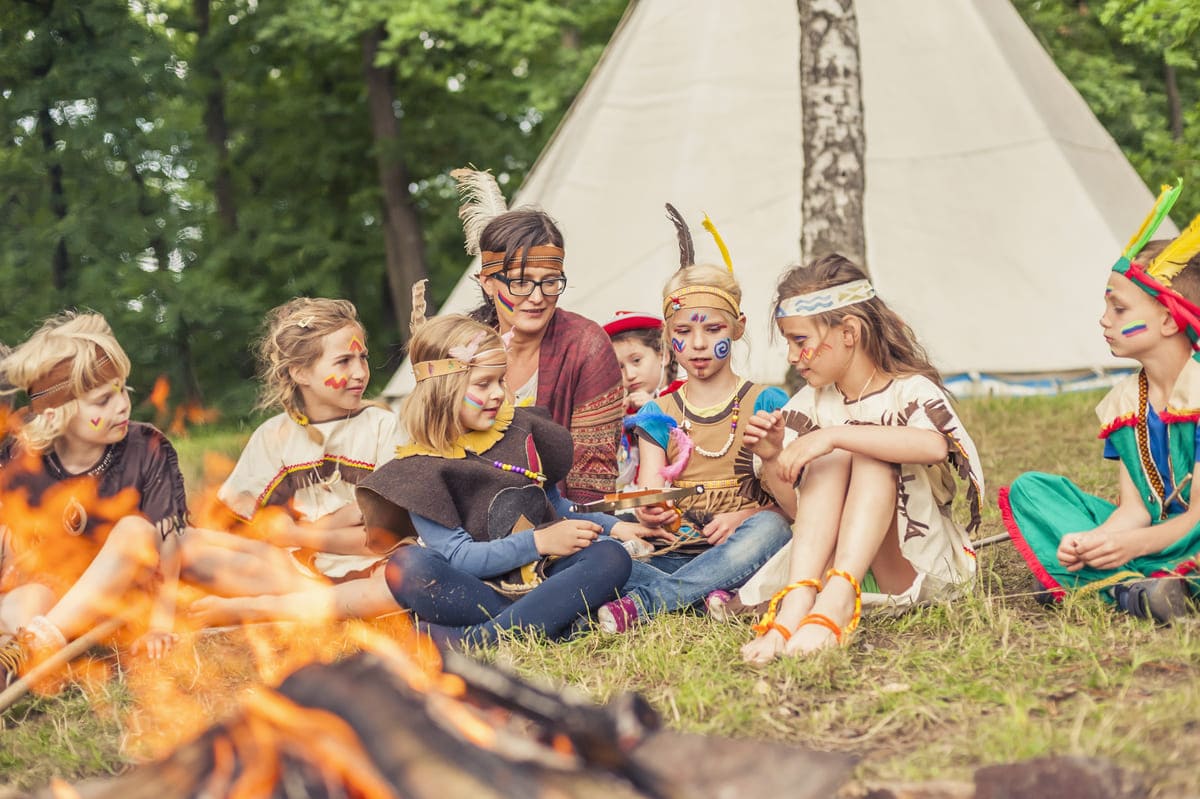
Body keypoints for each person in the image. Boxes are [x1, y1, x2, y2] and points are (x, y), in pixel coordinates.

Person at [737, 254, 983, 664]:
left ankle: (835, 600)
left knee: (866, 450)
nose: (794, 357)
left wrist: (833, 436)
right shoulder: (811, 402)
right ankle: (799, 600)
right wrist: (773, 456)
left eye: (801, 341)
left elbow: (934, 446)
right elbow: (803, 511)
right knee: (834, 457)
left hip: (911, 565)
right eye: (790, 343)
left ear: (849, 332)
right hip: (824, 564)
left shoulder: (910, 390)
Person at [358, 313, 633, 647]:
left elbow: (556, 507)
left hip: (546, 576)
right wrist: (539, 542)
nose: (498, 394)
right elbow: (459, 557)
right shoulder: (420, 471)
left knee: (611, 557)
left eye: (501, 380)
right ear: (444, 391)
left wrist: (612, 526)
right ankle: (550, 620)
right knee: (408, 566)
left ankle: (474, 640)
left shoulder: (519, 431)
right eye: (483, 384)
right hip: (477, 590)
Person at [1000, 182, 1200, 623]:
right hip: (1157, 538)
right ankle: (1139, 586)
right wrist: (1099, 540)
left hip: (1194, 533)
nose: (1104, 320)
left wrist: (1131, 546)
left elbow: (1196, 517)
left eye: (1119, 310)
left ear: (1168, 319)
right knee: (1031, 490)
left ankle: (1119, 585)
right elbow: (1134, 511)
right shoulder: (1129, 402)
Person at [594, 211, 793, 634]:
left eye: (714, 329)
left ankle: (650, 601)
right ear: (669, 336)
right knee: (596, 557)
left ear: (738, 328)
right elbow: (651, 488)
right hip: (679, 546)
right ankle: (713, 594)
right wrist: (652, 511)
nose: (699, 344)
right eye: (684, 331)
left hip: (747, 541)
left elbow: (799, 505)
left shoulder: (769, 401)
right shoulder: (658, 412)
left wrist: (746, 517)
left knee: (772, 529)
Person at [181, 298, 403, 625]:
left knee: (400, 583)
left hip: (371, 574)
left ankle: (259, 609)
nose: (359, 372)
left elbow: (382, 537)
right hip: (294, 574)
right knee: (187, 543)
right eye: (343, 361)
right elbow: (240, 527)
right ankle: (303, 604)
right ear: (300, 372)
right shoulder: (274, 437)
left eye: (363, 358)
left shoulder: (384, 427)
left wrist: (298, 535)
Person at [0, 312, 184, 684]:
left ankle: (36, 648)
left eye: (122, 390)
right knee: (22, 600)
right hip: (58, 596)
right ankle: (29, 659)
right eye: (102, 401)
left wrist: (162, 625)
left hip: (127, 597)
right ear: (56, 414)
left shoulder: (147, 446)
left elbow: (170, 546)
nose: (121, 407)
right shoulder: (22, 457)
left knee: (135, 530)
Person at [454, 168, 623, 502]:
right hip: (465, 528)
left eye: (550, 281)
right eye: (520, 282)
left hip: (564, 524)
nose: (537, 296)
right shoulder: (457, 349)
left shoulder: (586, 346)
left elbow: (593, 477)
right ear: (488, 283)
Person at [601, 310, 684, 487]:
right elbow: (621, 473)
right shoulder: (628, 412)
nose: (629, 375)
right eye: (619, 367)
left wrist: (655, 409)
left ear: (664, 356)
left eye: (636, 360)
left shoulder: (685, 394)